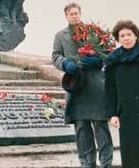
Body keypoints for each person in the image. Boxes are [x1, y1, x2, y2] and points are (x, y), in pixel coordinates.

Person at [52, 2, 113, 168]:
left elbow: (108, 53)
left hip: (95, 85)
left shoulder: (93, 31)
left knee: (101, 125)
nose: (74, 16)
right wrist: (65, 64)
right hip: (76, 85)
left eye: (76, 13)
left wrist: (97, 60)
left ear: (80, 13)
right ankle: (87, 163)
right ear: (66, 16)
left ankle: (106, 163)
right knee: (81, 128)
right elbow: (55, 56)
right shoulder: (60, 35)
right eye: (71, 13)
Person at [104, 19, 139, 168]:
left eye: (129, 34)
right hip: (127, 116)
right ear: (118, 39)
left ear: (136, 35)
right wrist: (113, 114)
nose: (126, 38)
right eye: (122, 36)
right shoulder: (113, 61)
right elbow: (110, 90)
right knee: (132, 156)